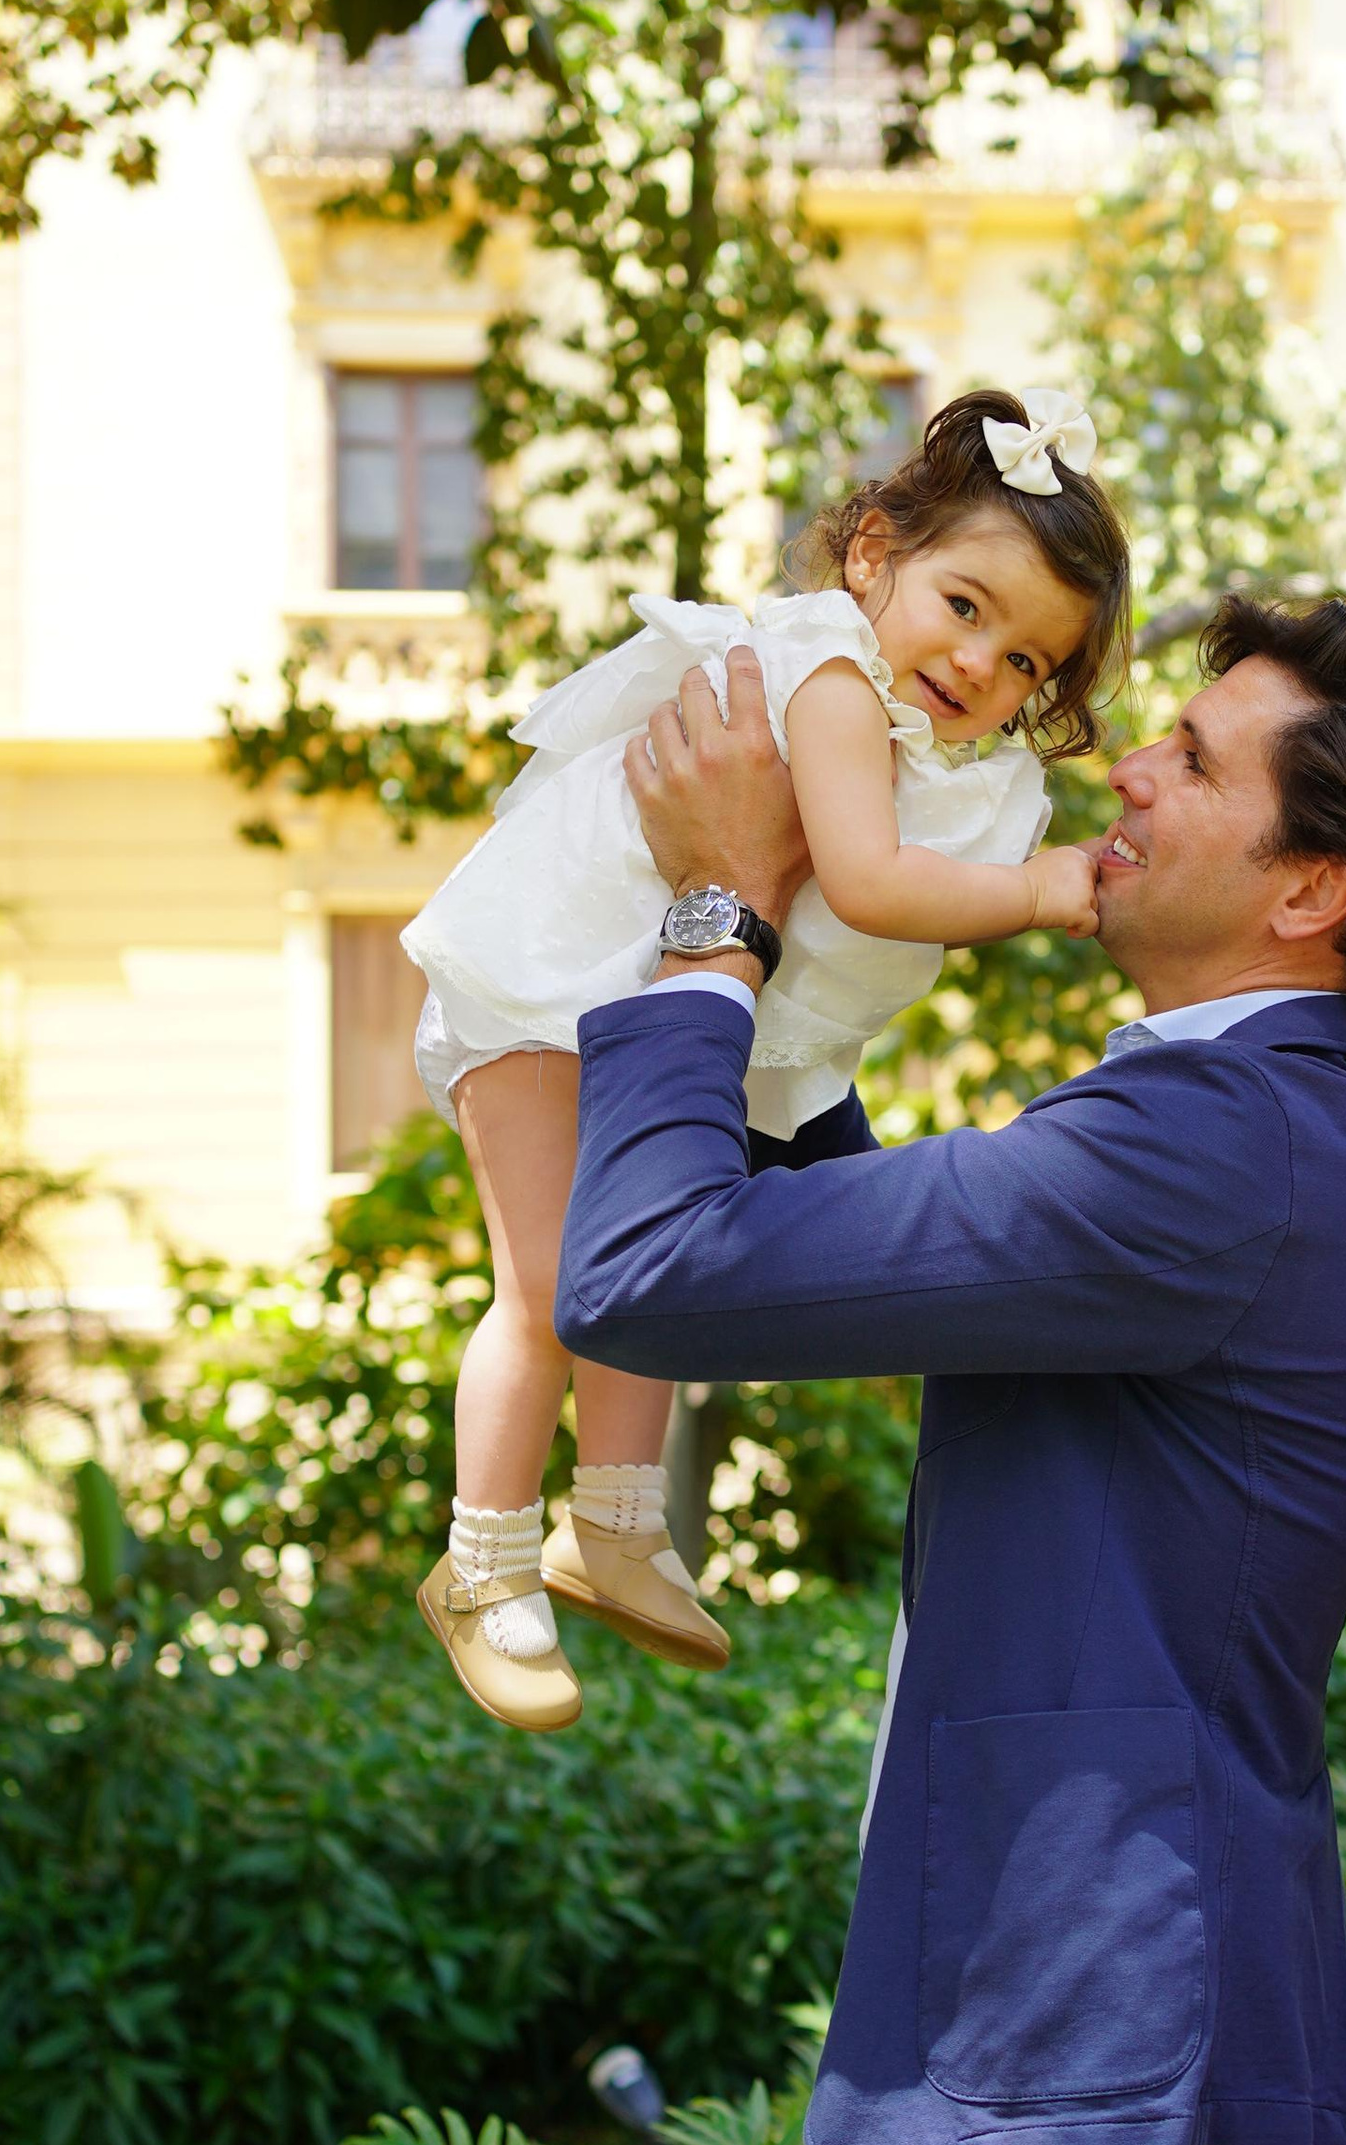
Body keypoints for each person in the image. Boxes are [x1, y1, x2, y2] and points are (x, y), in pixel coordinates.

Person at [554, 595, 1346, 2145]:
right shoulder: (1273, 1128)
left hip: (1095, 2078)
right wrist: (800, 940)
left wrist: (716, 912)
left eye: (1195, 758)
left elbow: (652, 1270)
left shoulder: (1223, 1144)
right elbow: (849, 1251)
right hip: (1108, 2084)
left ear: (1314, 890)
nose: (1126, 769)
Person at [398, 388, 1130, 1733]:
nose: (983, 664)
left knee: (633, 1273)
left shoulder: (901, 724)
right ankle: (482, 1557)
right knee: (553, 1283)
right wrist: (1038, 891)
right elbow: (865, 883)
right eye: (965, 606)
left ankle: (616, 1523)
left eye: (1029, 660)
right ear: (872, 557)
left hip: (630, 989)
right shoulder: (833, 676)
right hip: (549, 971)